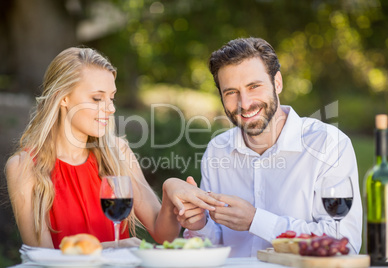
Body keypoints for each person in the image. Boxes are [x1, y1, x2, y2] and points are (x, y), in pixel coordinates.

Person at [5, 47, 222, 249]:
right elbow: (42, 258)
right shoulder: (24, 168)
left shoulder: (118, 152)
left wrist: (170, 190)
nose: (110, 108)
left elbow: (164, 234)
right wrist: (110, 248)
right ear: (63, 98)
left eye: (111, 97)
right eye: (97, 98)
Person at [177, 37, 362, 257]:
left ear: (277, 83)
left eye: (254, 86)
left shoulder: (329, 145)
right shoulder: (217, 150)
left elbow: (343, 242)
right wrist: (199, 224)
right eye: (231, 92)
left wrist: (256, 220)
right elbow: (215, 244)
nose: (244, 103)